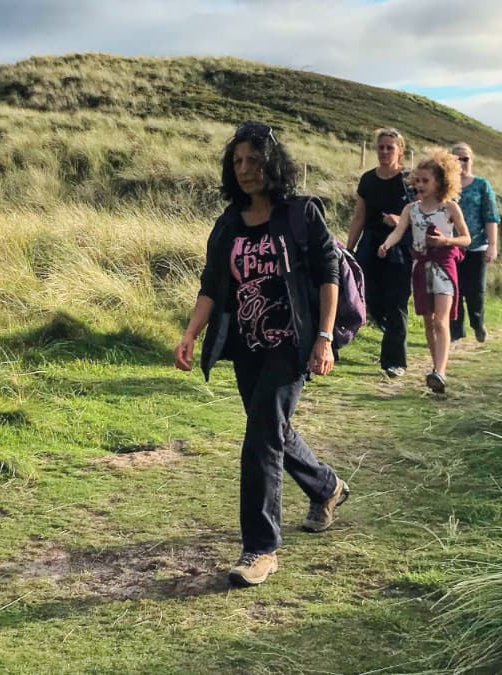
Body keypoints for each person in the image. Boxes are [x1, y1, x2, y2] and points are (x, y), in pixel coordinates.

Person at [174, 122, 350, 588]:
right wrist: (191, 332)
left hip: (292, 344)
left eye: (253, 160)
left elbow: (328, 274)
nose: (245, 169)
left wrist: (325, 338)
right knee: (273, 430)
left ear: (272, 162)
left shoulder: (300, 214)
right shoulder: (228, 222)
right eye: (237, 162)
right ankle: (326, 486)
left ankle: (260, 549)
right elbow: (212, 285)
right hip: (246, 346)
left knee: (258, 441)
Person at [378, 148, 471, 394]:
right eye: (416, 180)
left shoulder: (450, 208)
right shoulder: (411, 209)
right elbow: (399, 232)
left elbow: (466, 239)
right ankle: (435, 368)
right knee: (428, 322)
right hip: (419, 267)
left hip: (444, 266)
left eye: (425, 181)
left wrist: (445, 242)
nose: (419, 185)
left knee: (441, 321)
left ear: (441, 182)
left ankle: (440, 371)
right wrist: (386, 245)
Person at [347, 128, 414, 378]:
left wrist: (401, 220)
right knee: (368, 297)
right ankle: (389, 329)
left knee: (396, 303)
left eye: (390, 147)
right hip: (370, 245)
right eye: (381, 147)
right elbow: (359, 216)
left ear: (400, 150)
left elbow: (423, 212)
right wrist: (349, 249)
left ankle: (394, 362)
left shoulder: (410, 179)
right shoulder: (367, 180)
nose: (385, 152)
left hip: (401, 247)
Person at [449, 143, 499, 343]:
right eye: (456, 159)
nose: (461, 162)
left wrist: (493, 245)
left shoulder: (481, 185)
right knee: (454, 291)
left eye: (465, 158)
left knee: (475, 290)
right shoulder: (445, 186)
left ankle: (478, 324)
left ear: (472, 160)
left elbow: (491, 216)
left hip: (477, 245)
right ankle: (456, 333)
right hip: (450, 245)